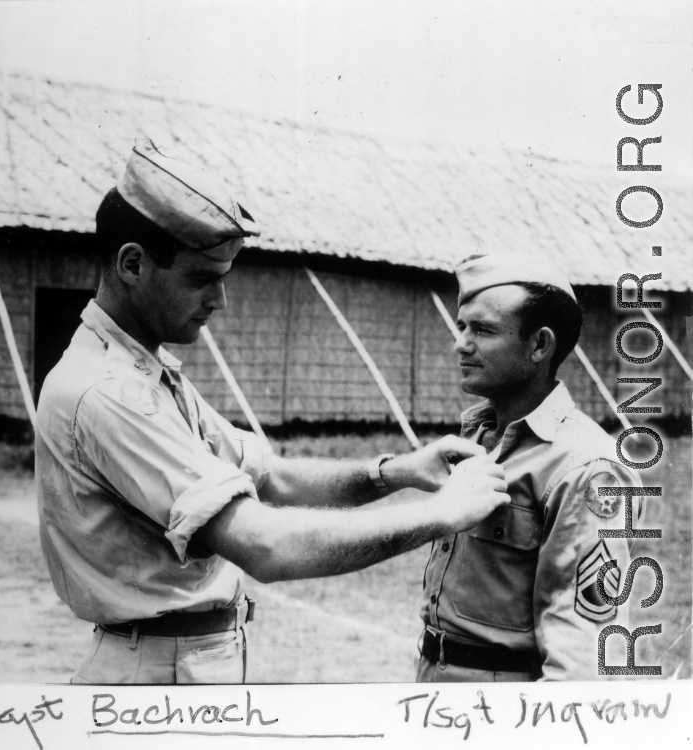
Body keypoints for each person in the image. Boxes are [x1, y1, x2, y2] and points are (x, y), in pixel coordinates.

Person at [35, 136, 510, 685]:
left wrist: (394, 473)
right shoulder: (109, 391)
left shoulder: (145, 370)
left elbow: (271, 476)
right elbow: (265, 546)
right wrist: (440, 515)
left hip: (177, 663)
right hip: (157, 675)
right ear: (133, 265)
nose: (220, 301)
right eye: (200, 279)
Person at [416, 252, 641, 682]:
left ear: (540, 345)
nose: (459, 343)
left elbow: (583, 651)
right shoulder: (475, 438)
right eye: (462, 326)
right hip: (436, 684)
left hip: (506, 708)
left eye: (482, 330)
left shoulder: (585, 467)